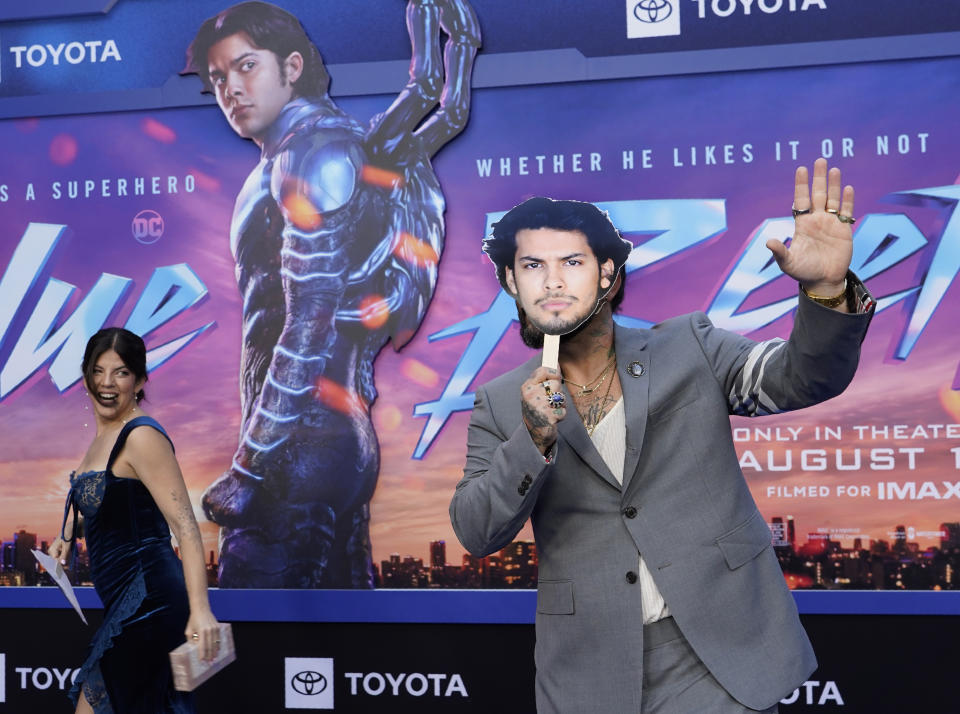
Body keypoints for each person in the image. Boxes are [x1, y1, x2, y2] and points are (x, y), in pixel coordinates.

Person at [449, 159, 876, 713]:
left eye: (571, 262)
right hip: (589, 669)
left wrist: (826, 290)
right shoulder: (499, 402)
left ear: (608, 274)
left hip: (716, 654)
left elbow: (801, 377)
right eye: (531, 265)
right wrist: (531, 439)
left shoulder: (689, 346)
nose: (551, 280)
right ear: (512, 281)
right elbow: (476, 530)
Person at [182, 0, 480, 587]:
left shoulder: (311, 154)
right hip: (336, 444)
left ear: (292, 66)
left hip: (293, 456)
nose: (230, 90)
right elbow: (436, 98)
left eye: (245, 67)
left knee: (259, 654)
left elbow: (306, 325)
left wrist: (249, 465)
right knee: (348, 648)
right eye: (218, 78)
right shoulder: (339, 147)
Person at [48, 328, 219, 714]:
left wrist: (201, 609)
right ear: (86, 376)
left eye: (121, 372)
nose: (107, 383)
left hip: (151, 599)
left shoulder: (141, 436)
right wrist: (67, 534)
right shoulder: (103, 436)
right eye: (98, 371)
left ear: (140, 381)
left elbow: (186, 528)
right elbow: (113, 505)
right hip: (124, 600)